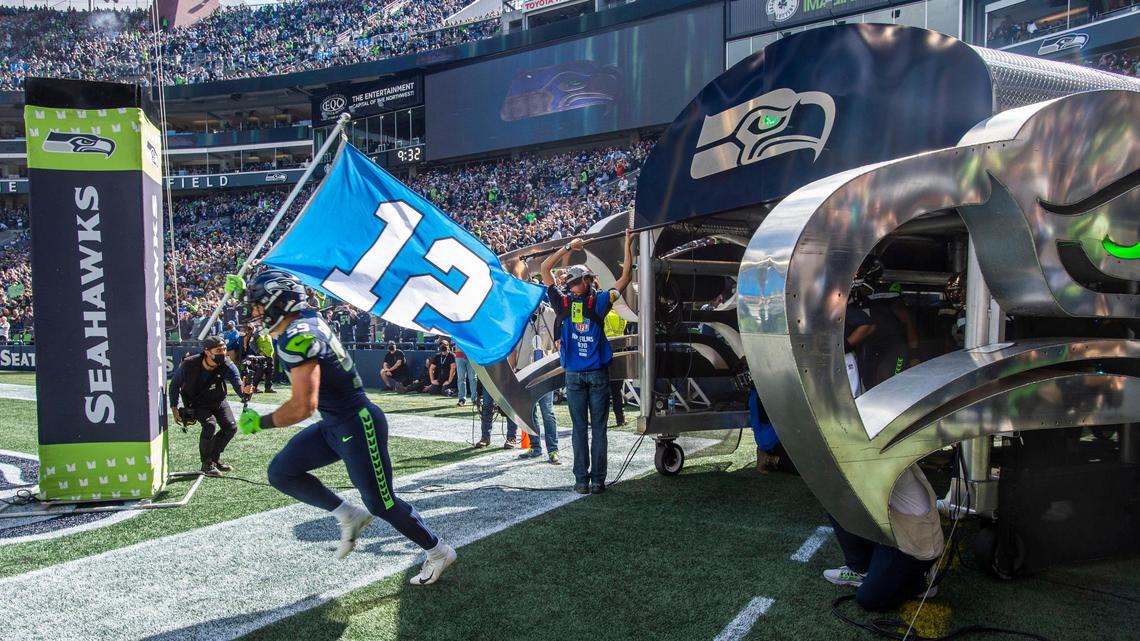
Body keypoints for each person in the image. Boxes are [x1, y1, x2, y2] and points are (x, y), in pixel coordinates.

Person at [231, 270, 456, 584]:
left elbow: (301, 407)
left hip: (358, 424)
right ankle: (347, 514)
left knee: (381, 503)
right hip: (336, 425)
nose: (253, 311)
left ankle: (437, 550)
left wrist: (261, 422)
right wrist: (251, 294)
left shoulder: (300, 336)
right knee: (281, 472)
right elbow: (300, 314)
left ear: (278, 303)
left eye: (258, 304)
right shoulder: (303, 322)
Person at [821, 274, 943, 611]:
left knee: (869, 601)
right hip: (892, 527)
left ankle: (919, 579)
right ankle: (861, 568)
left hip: (913, 541)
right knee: (833, 495)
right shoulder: (865, 432)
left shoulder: (870, 445)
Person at [540, 229, 634, 494]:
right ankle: (596, 482)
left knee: (582, 430)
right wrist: (627, 246)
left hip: (575, 375)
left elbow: (545, 268)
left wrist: (570, 247)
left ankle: (583, 480)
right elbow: (625, 277)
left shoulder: (564, 303)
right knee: (597, 430)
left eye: (572, 282)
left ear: (581, 282)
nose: (569, 285)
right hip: (595, 374)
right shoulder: (600, 301)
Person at [168, 335, 253, 476]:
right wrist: (174, 408)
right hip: (197, 402)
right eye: (219, 350)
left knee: (231, 427)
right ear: (207, 352)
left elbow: (239, 385)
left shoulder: (227, 363)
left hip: (218, 400)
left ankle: (215, 458)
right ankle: (206, 464)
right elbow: (174, 385)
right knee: (210, 424)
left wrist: (245, 392)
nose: (223, 353)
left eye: (224, 349)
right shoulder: (189, 364)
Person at [602, 308, 628, 426]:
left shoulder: (603, 311)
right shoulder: (621, 313)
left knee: (602, 391)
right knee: (617, 390)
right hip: (620, 353)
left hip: (604, 352)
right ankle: (620, 419)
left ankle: (601, 420)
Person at [453, 342, 477, 407]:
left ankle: (475, 399)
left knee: (472, 378)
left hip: (471, 355)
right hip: (459, 355)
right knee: (461, 378)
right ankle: (462, 399)